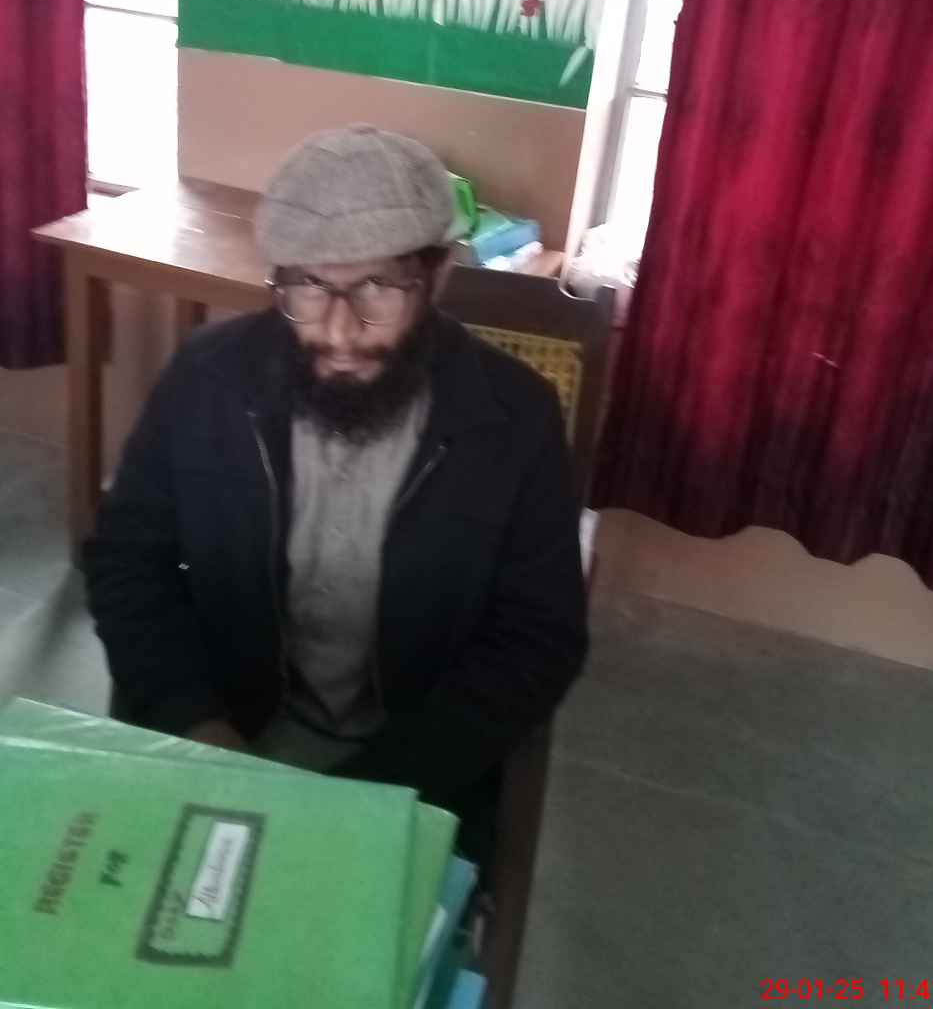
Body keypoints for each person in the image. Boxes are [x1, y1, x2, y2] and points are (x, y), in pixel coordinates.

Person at [84, 124, 587, 856]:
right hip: (223, 738)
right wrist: (197, 724)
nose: (341, 332)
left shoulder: (514, 420)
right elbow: (127, 562)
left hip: (416, 773)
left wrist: (380, 789)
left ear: (439, 276)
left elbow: (538, 638)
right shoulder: (206, 381)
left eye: (378, 287)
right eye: (310, 286)